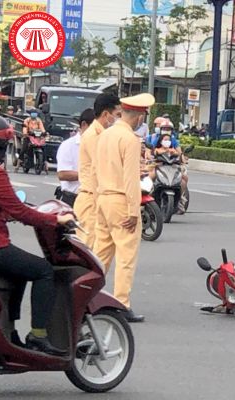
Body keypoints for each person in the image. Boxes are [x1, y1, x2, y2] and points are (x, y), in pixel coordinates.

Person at [0, 116, 75, 355]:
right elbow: (21, 211)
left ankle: (9, 332)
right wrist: (56, 220)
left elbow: (11, 209)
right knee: (43, 271)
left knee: (19, 274)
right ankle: (38, 335)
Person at [93, 93, 155, 323]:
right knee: (126, 257)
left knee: (101, 254)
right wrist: (133, 209)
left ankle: (90, 296)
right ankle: (121, 304)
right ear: (139, 116)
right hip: (121, 200)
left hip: (103, 199)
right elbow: (130, 179)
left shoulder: (105, 135)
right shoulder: (129, 140)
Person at [75, 93, 122, 250]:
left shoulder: (102, 134)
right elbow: (99, 170)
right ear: (106, 114)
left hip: (95, 198)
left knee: (98, 251)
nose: (119, 119)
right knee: (88, 251)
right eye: (117, 115)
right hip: (91, 200)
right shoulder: (93, 136)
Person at [56, 109, 95, 207]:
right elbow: (63, 174)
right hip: (72, 199)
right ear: (84, 125)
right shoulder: (68, 145)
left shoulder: (101, 145)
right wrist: (92, 174)